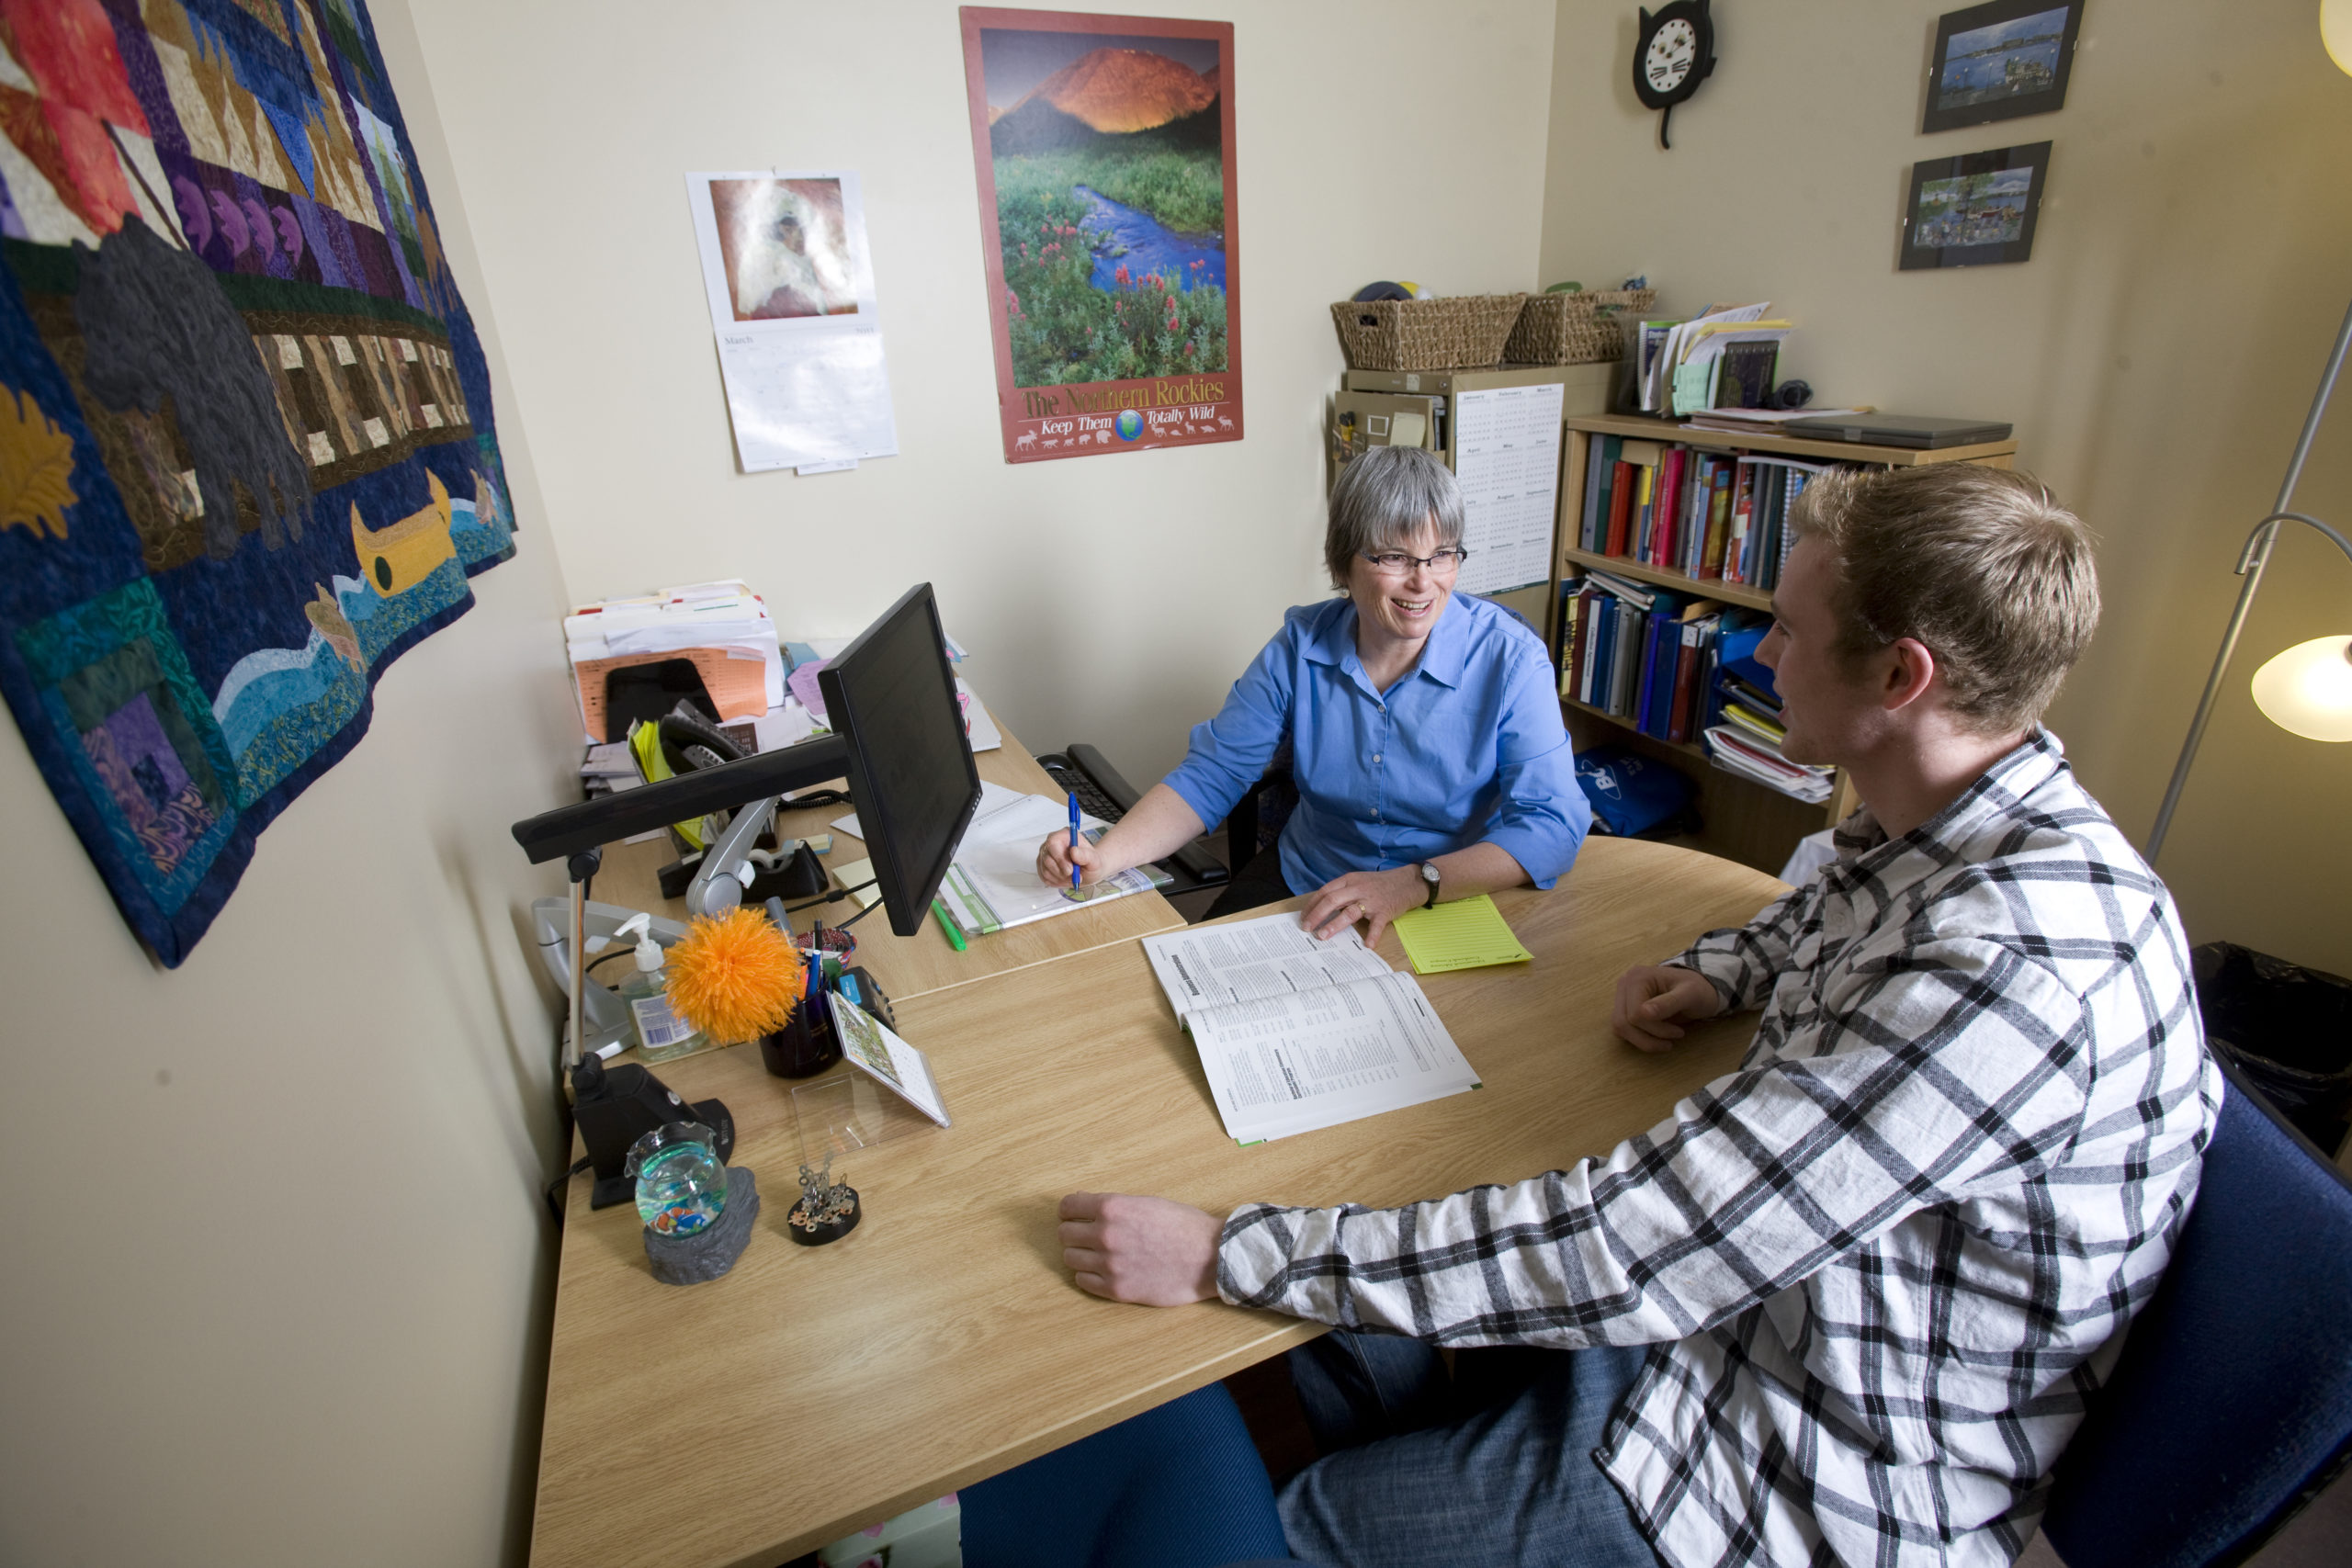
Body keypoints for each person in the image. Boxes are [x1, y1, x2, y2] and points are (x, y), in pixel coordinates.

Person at [1054, 464, 2222, 1568]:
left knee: (1279, 1523)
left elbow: (1632, 1244)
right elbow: (1816, 915)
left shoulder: (2010, 973)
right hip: (1743, 1307)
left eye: (1790, 630)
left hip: (1793, 1454)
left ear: (1899, 677)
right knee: (1343, 1354)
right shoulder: (1933, 832)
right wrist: (1724, 968)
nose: (1761, 652)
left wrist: (1224, 1251)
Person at [1035, 446, 1589, 942]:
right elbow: (1211, 777)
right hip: (1310, 878)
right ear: (1342, 563)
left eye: (1442, 554)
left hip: (1451, 892)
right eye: (1394, 557)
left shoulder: (1511, 659)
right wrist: (1103, 857)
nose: (1424, 582)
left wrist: (1417, 882)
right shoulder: (1300, 645)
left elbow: (1553, 824)